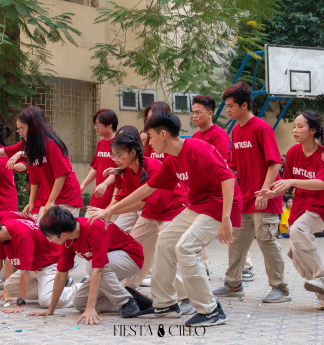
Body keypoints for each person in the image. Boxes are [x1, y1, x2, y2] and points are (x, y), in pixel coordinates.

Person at [88, 111, 239, 326]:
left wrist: (226, 219)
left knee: (185, 248)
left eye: (151, 136)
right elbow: (147, 190)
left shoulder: (197, 148)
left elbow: (228, 178)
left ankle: (210, 309)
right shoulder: (172, 161)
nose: (148, 142)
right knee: (166, 240)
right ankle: (165, 304)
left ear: (164, 134)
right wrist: (110, 211)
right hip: (198, 206)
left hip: (219, 205)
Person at [100, 130, 193, 313]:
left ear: (133, 153)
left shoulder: (152, 167)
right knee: (134, 246)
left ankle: (186, 297)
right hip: (152, 210)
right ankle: (129, 288)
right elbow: (125, 196)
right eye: (114, 155)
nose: (116, 159)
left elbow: (141, 201)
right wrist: (106, 211)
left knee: (166, 254)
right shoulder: (126, 171)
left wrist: (110, 212)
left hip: (173, 209)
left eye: (119, 155)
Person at [214, 82, 288, 303]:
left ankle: (280, 288)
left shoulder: (262, 128)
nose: (227, 110)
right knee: (236, 242)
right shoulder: (236, 131)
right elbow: (234, 165)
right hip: (244, 198)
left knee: (266, 241)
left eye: (230, 106)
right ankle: (233, 284)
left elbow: (275, 164)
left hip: (264, 198)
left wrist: (265, 192)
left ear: (244, 105)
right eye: (226, 106)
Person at [257, 110, 324, 311]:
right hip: (300, 209)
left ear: (312, 130)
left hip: (320, 209)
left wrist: (292, 180)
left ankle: (323, 282)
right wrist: (269, 194)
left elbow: (321, 184)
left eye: (300, 126)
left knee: (297, 232)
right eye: (294, 126)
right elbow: (286, 186)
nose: (295, 130)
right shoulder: (293, 153)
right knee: (297, 252)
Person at [35, 206, 144, 324]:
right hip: (108, 264)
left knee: (92, 267)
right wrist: (51, 308)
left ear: (64, 234)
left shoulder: (94, 228)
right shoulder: (68, 242)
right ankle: (136, 302)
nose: (49, 240)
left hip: (130, 256)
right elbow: (61, 274)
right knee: (80, 302)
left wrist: (91, 308)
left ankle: (126, 301)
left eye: (50, 237)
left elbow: (98, 270)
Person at [0, 107, 83, 222]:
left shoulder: (50, 144)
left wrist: (50, 201)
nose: (20, 133)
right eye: (18, 130)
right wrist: (31, 202)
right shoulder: (29, 145)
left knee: (56, 235)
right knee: (42, 233)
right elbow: (34, 179)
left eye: (22, 129)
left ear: (34, 126)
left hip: (67, 198)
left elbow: (61, 174)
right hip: (51, 199)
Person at [0, 217, 79, 312]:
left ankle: (79, 289)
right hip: (35, 266)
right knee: (9, 286)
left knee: (46, 301)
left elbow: (25, 271)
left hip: (52, 263)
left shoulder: (21, 234)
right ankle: (55, 286)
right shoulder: (2, 234)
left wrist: (20, 303)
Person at [190, 94, 243, 278]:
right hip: (200, 196)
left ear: (210, 113)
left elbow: (221, 167)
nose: (194, 116)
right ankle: (200, 268)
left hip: (218, 195)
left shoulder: (219, 134)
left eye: (198, 112)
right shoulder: (195, 136)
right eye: (192, 113)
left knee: (229, 234)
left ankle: (247, 265)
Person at [80, 109, 118, 215]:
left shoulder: (119, 144)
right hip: (98, 194)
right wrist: (83, 185)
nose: (96, 128)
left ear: (110, 124)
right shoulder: (100, 144)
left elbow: (120, 170)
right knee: (88, 224)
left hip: (112, 195)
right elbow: (95, 167)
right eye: (95, 125)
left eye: (98, 124)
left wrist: (105, 184)